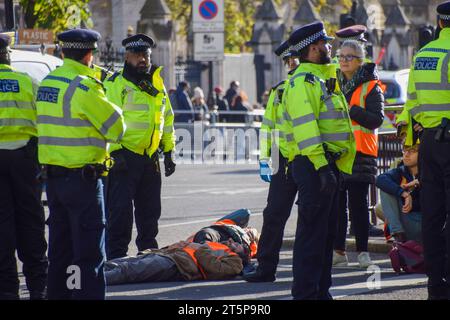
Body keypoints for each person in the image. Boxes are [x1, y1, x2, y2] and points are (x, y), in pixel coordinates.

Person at [36, 29, 126, 300]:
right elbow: (117, 129)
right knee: (89, 256)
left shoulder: (48, 82)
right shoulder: (85, 87)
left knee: (60, 253)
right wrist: (106, 92)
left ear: (63, 52)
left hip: (54, 181)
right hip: (83, 182)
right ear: (89, 55)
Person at [282, 21, 356, 300]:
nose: (330, 47)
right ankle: (305, 293)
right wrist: (323, 167)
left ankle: (321, 291)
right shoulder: (303, 82)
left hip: (327, 164)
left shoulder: (323, 78)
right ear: (313, 49)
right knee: (312, 236)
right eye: (325, 43)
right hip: (315, 165)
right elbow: (306, 129)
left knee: (325, 236)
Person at [104, 34, 176, 260]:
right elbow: (107, 121)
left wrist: (169, 150)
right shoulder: (117, 84)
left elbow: (167, 118)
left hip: (149, 157)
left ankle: (147, 252)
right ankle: (116, 257)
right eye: (137, 55)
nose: (142, 59)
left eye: (145, 55)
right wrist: (115, 152)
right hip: (124, 156)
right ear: (127, 57)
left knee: (150, 212)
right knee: (120, 213)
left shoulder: (157, 82)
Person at [396, 1, 450, 300]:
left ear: (440, 23)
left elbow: (412, 104)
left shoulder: (424, 55)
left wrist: (409, 130)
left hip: (428, 143)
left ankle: (436, 287)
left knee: (432, 215)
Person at [244, 40, 300, 283]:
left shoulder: (320, 84)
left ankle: (309, 270)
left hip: (311, 157)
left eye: (293, 59)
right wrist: (266, 160)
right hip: (282, 159)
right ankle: (266, 268)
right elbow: (268, 128)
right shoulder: (280, 91)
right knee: (273, 214)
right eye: (288, 61)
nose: (291, 64)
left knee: (313, 217)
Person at [0, 34, 48, 300]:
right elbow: (45, 118)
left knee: (2, 225)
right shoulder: (28, 82)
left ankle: (7, 288)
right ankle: (38, 285)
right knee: (30, 221)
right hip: (25, 159)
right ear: (7, 55)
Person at [332, 40, 385, 268]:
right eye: (341, 56)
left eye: (349, 57)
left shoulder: (371, 86)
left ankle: (363, 252)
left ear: (360, 61)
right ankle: (339, 251)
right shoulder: (332, 83)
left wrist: (351, 110)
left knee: (358, 205)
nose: (343, 60)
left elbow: (376, 119)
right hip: (337, 152)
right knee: (337, 206)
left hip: (361, 153)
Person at [104, 238, 247, 285]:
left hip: (177, 265)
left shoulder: (235, 262)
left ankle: (88, 282)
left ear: (242, 253)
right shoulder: (217, 245)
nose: (231, 241)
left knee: (127, 271)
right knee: (117, 263)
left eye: (237, 244)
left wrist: (201, 248)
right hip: (167, 255)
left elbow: (216, 270)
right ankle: (82, 276)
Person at [376, 143, 422, 244]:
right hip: (408, 222)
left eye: (412, 151)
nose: (406, 154)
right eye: (405, 151)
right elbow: (380, 179)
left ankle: (400, 237)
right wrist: (404, 193)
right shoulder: (400, 171)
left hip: (427, 225)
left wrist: (419, 184)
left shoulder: (430, 173)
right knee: (385, 188)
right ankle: (398, 235)